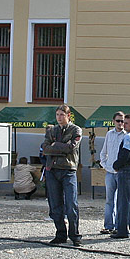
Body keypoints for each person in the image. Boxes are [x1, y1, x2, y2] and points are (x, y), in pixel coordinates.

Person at [43, 105, 82, 246]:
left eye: (62, 114)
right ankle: (60, 234)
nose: (59, 117)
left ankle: (75, 235)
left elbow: (71, 147)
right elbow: (45, 148)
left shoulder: (76, 130)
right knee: (55, 205)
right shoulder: (51, 130)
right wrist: (60, 147)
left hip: (68, 169)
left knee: (71, 205)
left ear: (68, 115)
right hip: (52, 169)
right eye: (57, 114)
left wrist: (55, 146)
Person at [98, 111, 126, 234]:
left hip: (121, 172)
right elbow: (103, 152)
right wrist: (105, 165)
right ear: (113, 121)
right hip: (110, 172)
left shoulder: (127, 135)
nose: (120, 123)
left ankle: (119, 226)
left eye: (122, 121)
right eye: (118, 121)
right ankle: (109, 225)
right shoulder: (109, 134)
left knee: (120, 200)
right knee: (109, 200)